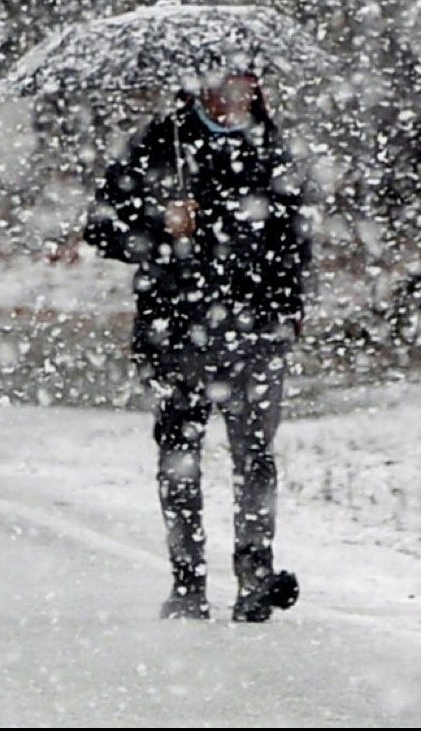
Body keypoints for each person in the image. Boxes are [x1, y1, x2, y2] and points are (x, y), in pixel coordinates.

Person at [85, 65, 310, 622]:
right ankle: (187, 580)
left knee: (255, 455)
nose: (235, 94)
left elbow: (294, 242)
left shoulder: (272, 150)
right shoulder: (162, 144)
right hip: (177, 326)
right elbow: (101, 225)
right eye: (225, 82)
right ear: (199, 86)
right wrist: (160, 222)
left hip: (257, 329)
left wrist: (288, 307)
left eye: (246, 83)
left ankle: (255, 576)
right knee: (179, 453)